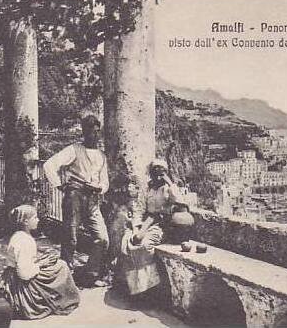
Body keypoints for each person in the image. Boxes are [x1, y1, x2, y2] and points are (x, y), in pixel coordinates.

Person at [43, 115, 109, 287]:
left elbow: (105, 181)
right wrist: (60, 185)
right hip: (75, 197)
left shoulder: (102, 156)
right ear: (83, 132)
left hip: (93, 199)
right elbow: (49, 165)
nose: (92, 135)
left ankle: (90, 274)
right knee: (70, 237)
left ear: (98, 132)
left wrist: (99, 188)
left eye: (95, 132)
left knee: (102, 238)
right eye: (88, 131)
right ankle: (65, 278)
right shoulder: (73, 149)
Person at [119, 159, 190, 296]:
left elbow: (182, 203)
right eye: (155, 172)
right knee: (127, 242)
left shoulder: (169, 189)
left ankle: (149, 289)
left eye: (161, 172)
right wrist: (136, 229)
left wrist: (170, 184)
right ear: (151, 173)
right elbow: (139, 210)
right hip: (147, 222)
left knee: (145, 246)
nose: (158, 175)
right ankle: (134, 287)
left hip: (162, 225)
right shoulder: (147, 189)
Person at [1, 205, 80, 320]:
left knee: (55, 262)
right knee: (61, 267)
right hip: (21, 282)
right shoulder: (24, 241)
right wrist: (41, 264)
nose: (38, 220)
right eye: (35, 217)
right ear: (26, 222)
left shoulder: (19, 235)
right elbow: (24, 274)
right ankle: (60, 298)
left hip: (17, 274)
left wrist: (41, 260)